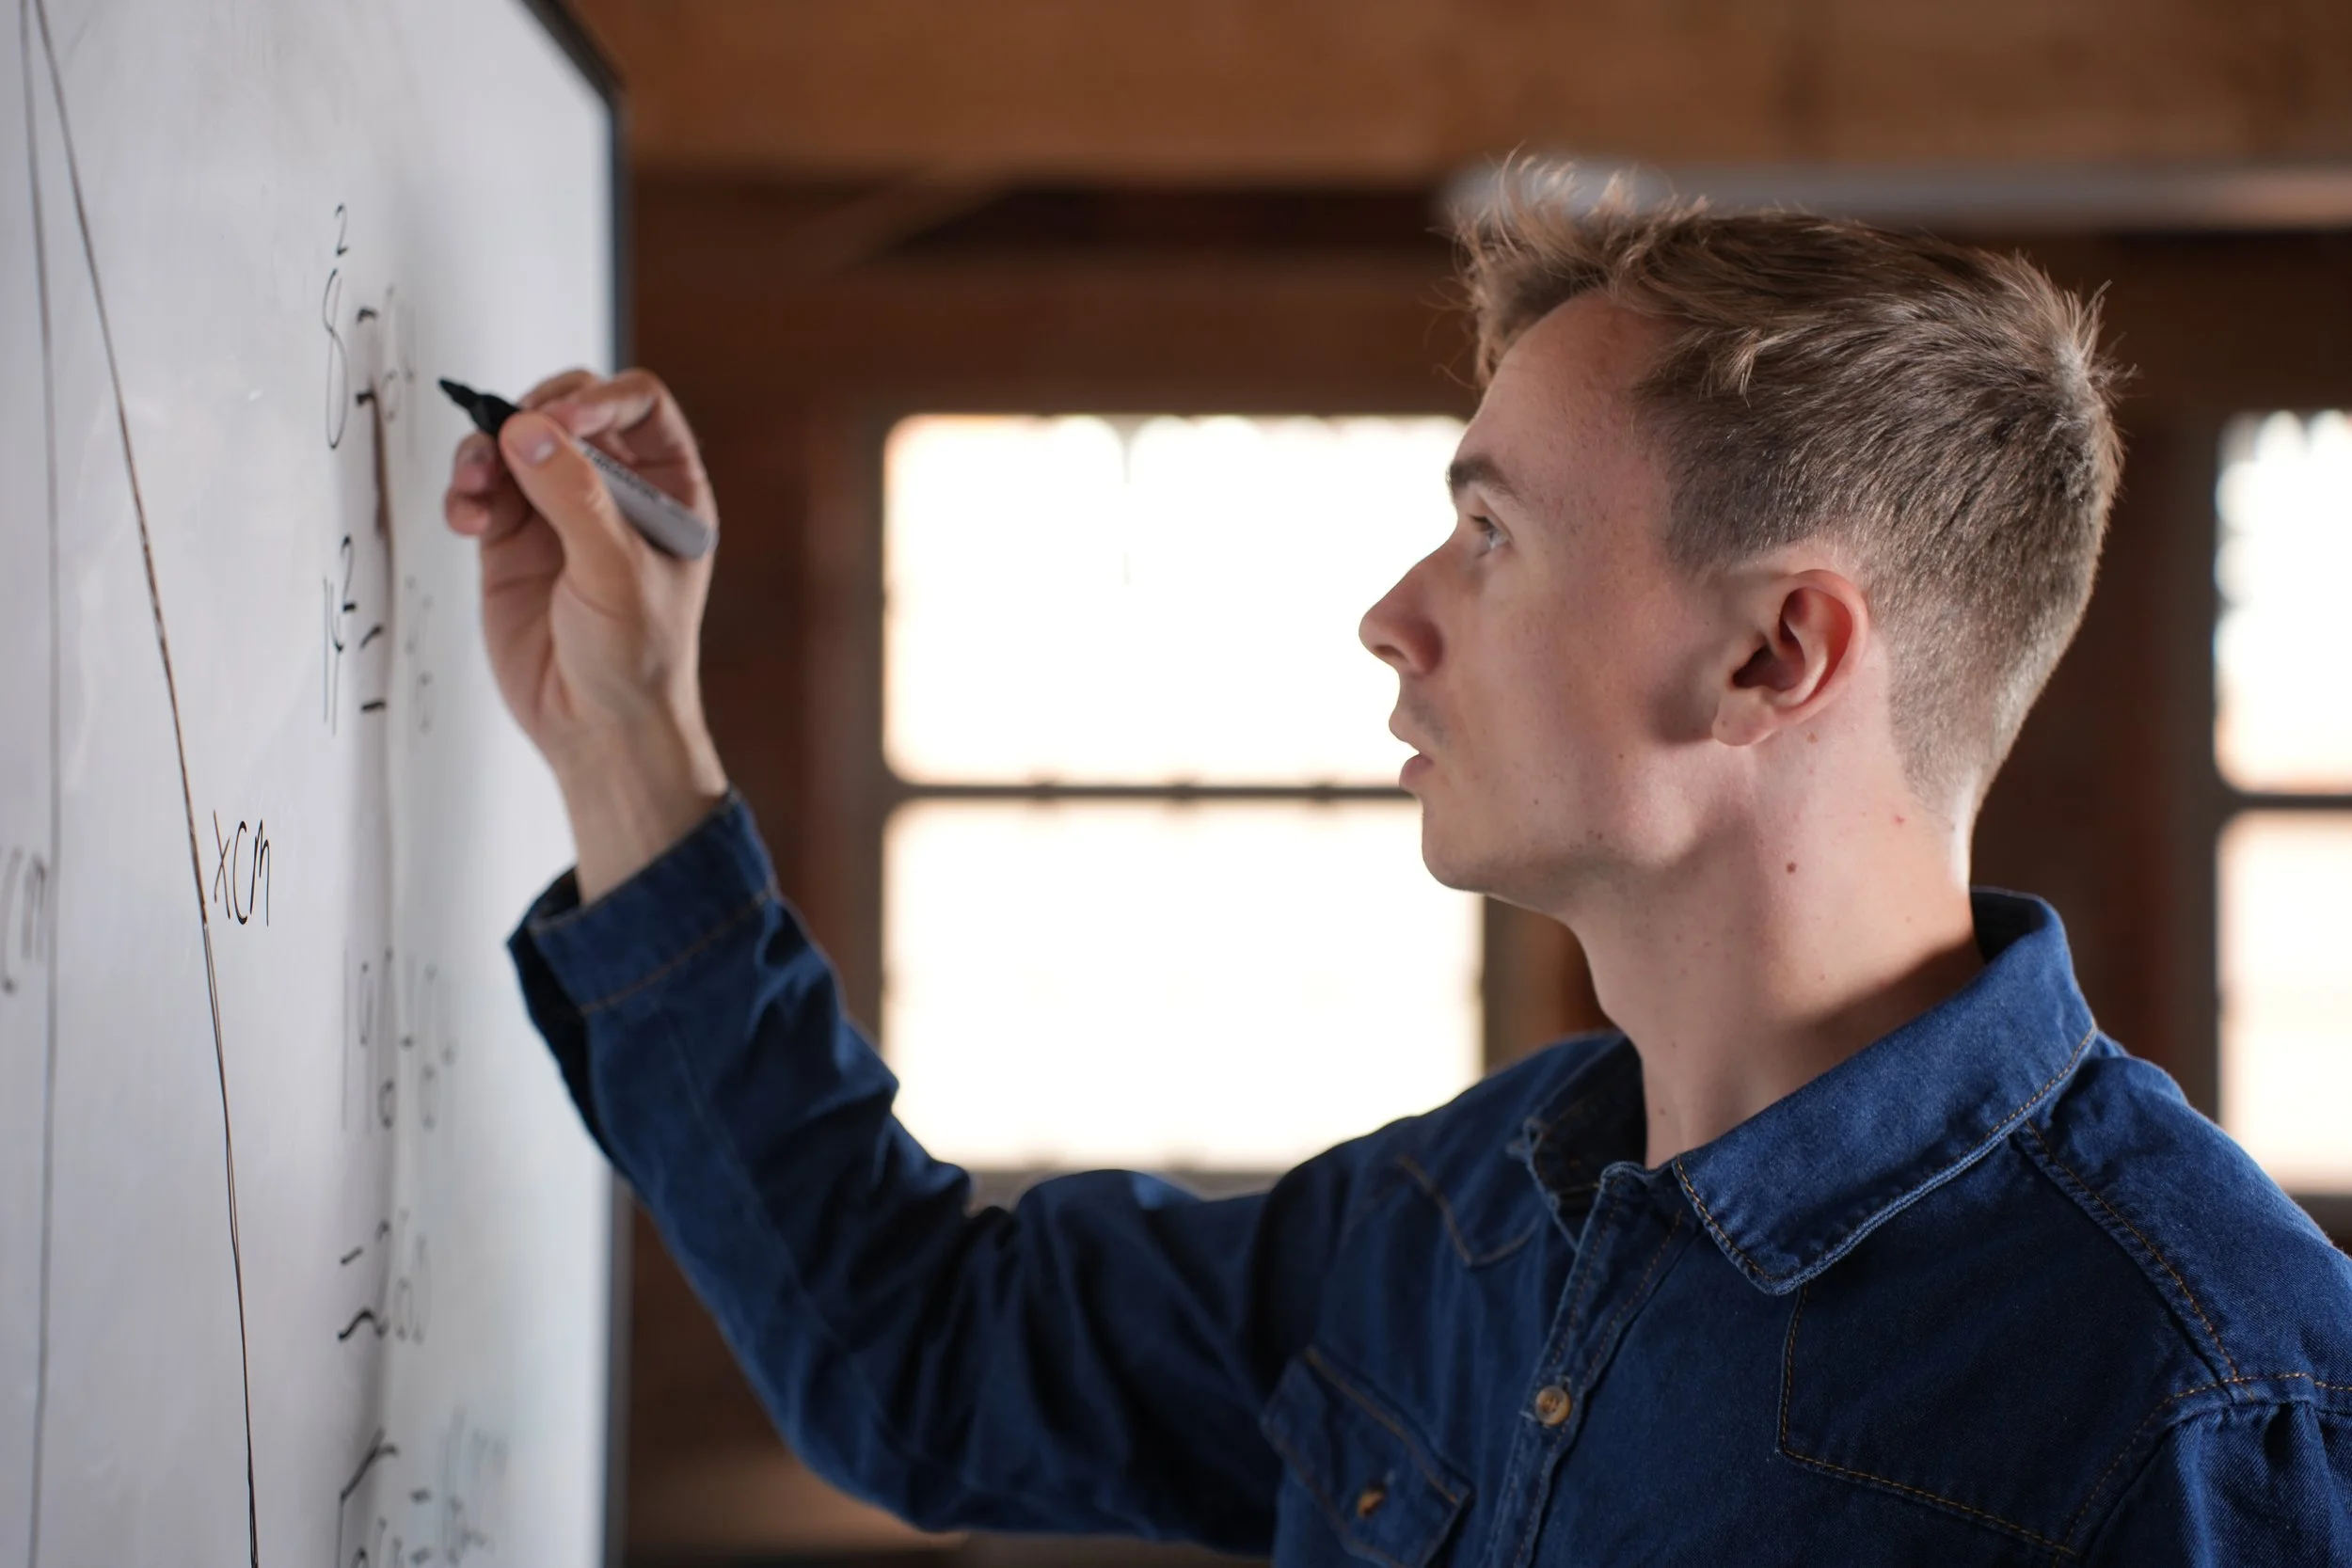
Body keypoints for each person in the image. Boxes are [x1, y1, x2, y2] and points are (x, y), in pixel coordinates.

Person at [443, 171, 2352, 1564]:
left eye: (1491, 533)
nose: (1393, 613)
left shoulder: (2209, 1401)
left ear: (1774, 653)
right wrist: (627, 731)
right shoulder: (1465, 1218)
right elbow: (923, 1355)